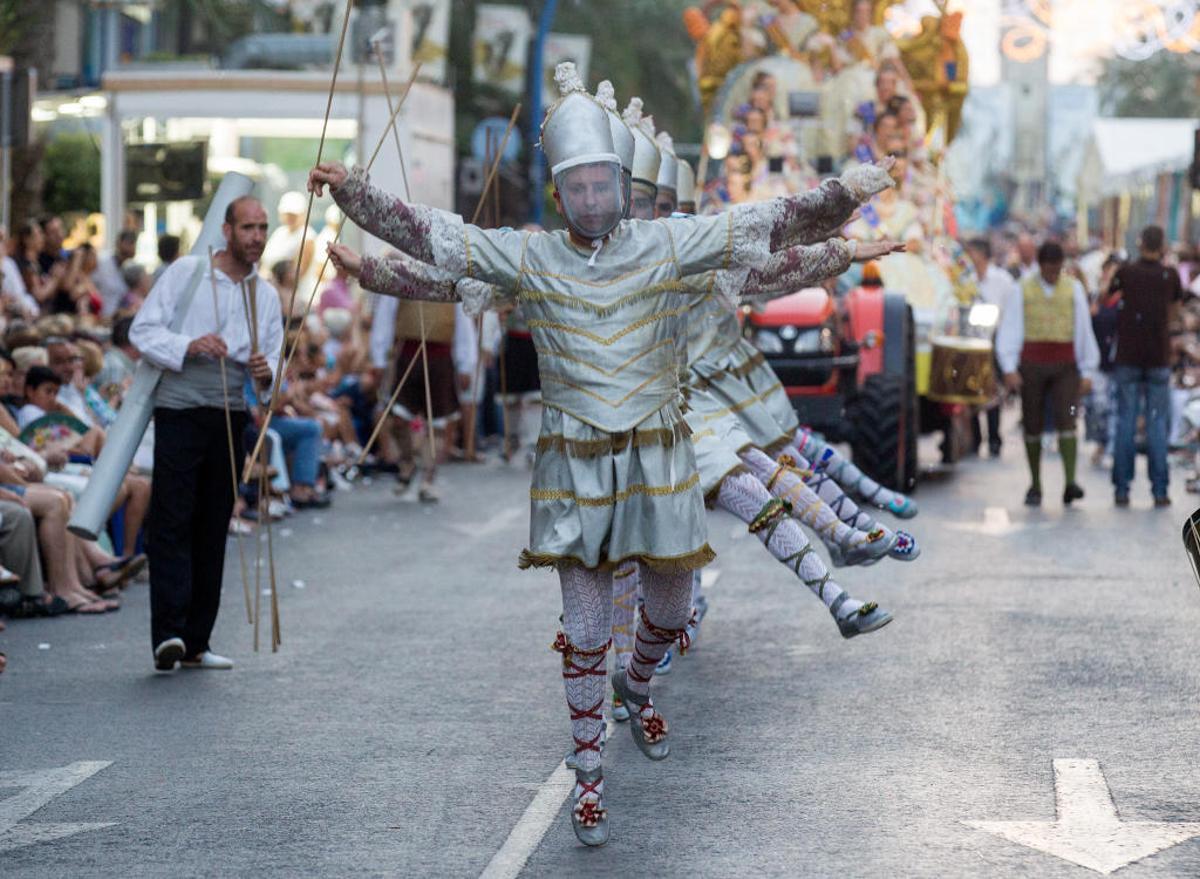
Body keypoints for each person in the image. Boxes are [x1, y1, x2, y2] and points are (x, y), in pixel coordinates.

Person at [314, 63, 897, 847]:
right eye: (576, 189)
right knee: (585, 629)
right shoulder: (533, 258)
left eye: (602, 185)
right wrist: (353, 191)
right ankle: (590, 770)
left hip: (661, 459)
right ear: (560, 195)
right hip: (574, 468)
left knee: (666, 610)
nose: (591, 200)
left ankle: (639, 679)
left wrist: (856, 190)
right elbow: (441, 243)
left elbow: (776, 229)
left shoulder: (671, 244)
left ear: (622, 185)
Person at [130, 195, 283, 672]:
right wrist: (189, 344)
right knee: (173, 518)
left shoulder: (266, 295)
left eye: (262, 228)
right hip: (179, 407)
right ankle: (168, 634)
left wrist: (265, 372)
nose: (256, 237)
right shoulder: (187, 273)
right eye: (248, 228)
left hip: (230, 411)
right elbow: (142, 330)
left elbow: (275, 364)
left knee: (215, 521)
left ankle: (197, 639)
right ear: (227, 229)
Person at [996, 241, 1101, 507]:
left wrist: (1087, 369)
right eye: (1049, 270)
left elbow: (1083, 331)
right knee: (1032, 422)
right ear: (1040, 266)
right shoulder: (1022, 289)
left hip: (1066, 366)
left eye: (1057, 270)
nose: (1053, 275)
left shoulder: (1074, 289)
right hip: (1031, 365)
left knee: (1069, 420)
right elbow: (1010, 328)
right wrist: (1009, 368)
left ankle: (1070, 482)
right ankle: (1035, 484)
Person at [1108, 225, 1183, 507]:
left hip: (1128, 356)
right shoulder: (1170, 276)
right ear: (1162, 245)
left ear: (1140, 243)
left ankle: (1122, 488)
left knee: (1125, 421)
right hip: (1158, 358)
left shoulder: (1126, 272)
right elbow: (1174, 314)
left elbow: (1106, 297)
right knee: (1156, 423)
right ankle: (1160, 489)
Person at [966, 237, 1018, 457]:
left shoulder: (1003, 280)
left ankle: (995, 438)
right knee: (970, 390)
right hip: (970, 341)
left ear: (983, 255)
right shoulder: (965, 279)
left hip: (994, 340)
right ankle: (975, 438)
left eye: (973, 254)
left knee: (993, 390)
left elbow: (1011, 312)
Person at [92, 229, 138, 317]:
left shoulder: (130, 268)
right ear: (119, 243)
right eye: (130, 243)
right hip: (100, 318)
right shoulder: (102, 262)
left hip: (118, 320)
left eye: (134, 243)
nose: (133, 247)